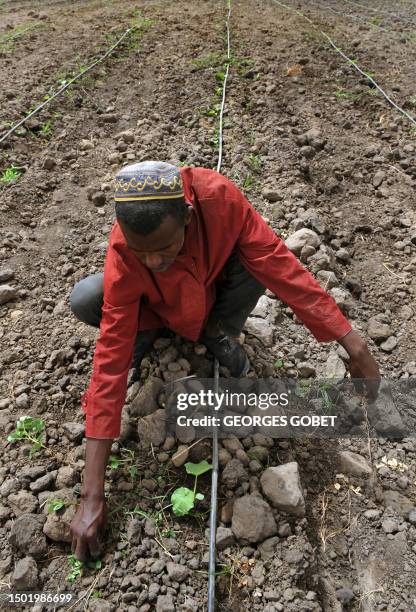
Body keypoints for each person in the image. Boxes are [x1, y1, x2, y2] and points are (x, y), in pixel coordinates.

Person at [69, 161, 379, 560]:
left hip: (209, 296)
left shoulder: (217, 200)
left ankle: (215, 330)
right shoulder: (125, 255)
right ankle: (146, 330)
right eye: (140, 251)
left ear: (188, 217)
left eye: (164, 248)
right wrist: (91, 494)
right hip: (154, 305)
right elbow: (108, 365)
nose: (152, 261)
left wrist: (353, 343)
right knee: (87, 297)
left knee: (257, 260)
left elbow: (279, 265)